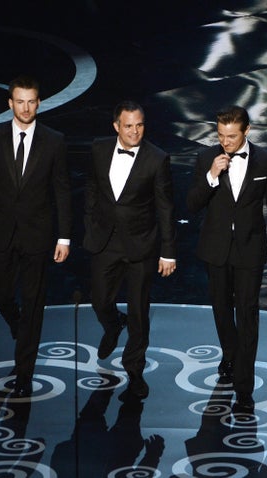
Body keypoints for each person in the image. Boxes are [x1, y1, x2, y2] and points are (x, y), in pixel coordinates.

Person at [0, 75, 72, 398]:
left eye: (31, 101)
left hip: (37, 236)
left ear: (38, 103)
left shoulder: (54, 140)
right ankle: (16, 324)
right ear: (10, 103)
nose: (26, 108)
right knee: (0, 292)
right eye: (20, 101)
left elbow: (62, 190)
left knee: (34, 303)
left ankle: (24, 372)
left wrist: (64, 237)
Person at [186, 105, 267, 411]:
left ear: (247, 131)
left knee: (247, 312)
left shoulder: (265, 160)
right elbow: (192, 204)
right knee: (221, 309)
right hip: (215, 248)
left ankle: (244, 383)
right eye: (221, 135)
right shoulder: (207, 158)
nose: (226, 142)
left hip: (250, 248)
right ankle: (230, 353)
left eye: (232, 136)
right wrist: (211, 176)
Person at [83, 100, 177, 400]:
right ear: (116, 127)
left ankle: (134, 368)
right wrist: (90, 224)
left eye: (139, 125)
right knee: (99, 299)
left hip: (141, 244)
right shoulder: (98, 149)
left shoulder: (157, 158)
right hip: (106, 241)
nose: (135, 131)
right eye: (128, 126)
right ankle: (112, 325)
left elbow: (165, 207)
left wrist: (168, 251)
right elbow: (93, 190)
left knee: (139, 309)